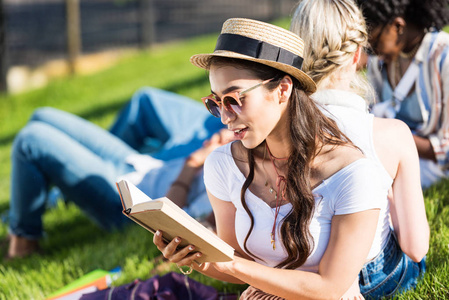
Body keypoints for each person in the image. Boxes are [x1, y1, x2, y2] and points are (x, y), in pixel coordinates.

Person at [153, 18, 392, 299]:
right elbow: (235, 258)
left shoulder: (353, 174)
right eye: (215, 103)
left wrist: (233, 265)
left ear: (282, 89)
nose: (226, 117)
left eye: (234, 99)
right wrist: (198, 257)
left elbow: (329, 288)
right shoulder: (223, 165)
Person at [290, 0, 429, 297]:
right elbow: (415, 248)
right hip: (370, 277)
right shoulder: (392, 134)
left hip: (292, 274)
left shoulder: (274, 128)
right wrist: (388, 196)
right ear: (357, 54)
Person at [7, 87, 230, 259]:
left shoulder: (234, 188)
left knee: (31, 141)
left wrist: (192, 163)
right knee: (42, 115)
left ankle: (23, 243)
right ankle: (35, 203)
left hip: (128, 201)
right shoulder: (238, 151)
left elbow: (172, 222)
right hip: (139, 166)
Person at [355, 0, 449, 188]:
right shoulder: (380, 60)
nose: (371, 52)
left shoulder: (443, 57)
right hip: (390, 153)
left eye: (372, 42)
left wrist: (393, 137)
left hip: (434, 167)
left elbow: (446, 150)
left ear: (398, 26)